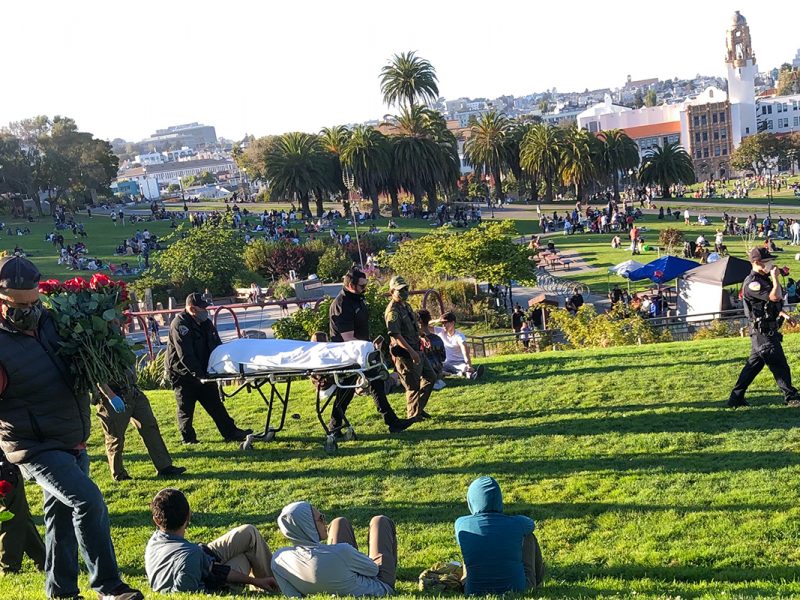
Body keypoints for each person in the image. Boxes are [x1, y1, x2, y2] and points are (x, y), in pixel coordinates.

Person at [0, 256, 143, 600]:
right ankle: (109, 585)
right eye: (19, 305)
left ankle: (61, 592)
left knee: (59, 520)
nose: (29, 310)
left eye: (34, 302)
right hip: (34, 445)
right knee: (88, 501)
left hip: (72, 438)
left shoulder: (53, 322)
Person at [145, 488, 278, 594]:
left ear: (156, 521)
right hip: (213, 585)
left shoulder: (154, 541)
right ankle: (275, 588)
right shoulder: (191, 554)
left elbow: (210, 567)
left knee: (248, 532)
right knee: (244, 559)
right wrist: (254, 581)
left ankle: (271, 583)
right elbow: (186, 592)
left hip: (202, 557)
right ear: (188, 516)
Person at [328, 269, 413, 434]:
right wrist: (367, 348)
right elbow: (347, 338)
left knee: (374, 384)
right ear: (351, 285)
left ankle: (391, 421)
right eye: (362, 285)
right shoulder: (342, 304)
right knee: (346, 389)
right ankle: (334, 425)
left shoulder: (357, 299)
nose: (365, 288)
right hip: (349, 354)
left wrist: (370, 345)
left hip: (362, 351)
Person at [166, 293, 252, 444]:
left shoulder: (205, 323)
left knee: (215, 404)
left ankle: (231, 432)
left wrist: (220, 368)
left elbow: (216, 345)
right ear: (192, 309)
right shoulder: (180, 325)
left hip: (204, 371)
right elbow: (185, 355)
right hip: (182, 373)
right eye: (202, 308)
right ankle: (188, 439)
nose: (205, 311)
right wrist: (199, 375)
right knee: (186, 407)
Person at [271, 501, 397, 597]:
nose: (324, 521)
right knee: (380, 521)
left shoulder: (279, 559)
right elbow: (374, 570)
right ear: (308, 525)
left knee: (338, 522)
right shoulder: (342, 552)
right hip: (379, 588)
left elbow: (293, 595)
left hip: (334, 573)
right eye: (320, 518)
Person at [728, 248, 800, 408]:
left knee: (753, 366)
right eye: (768, 262)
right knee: (778, 363)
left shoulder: (762, 279)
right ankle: (791, 396)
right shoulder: (753, 283)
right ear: (757, 263)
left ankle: (736, 397)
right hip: (762, 333)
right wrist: (775, 279)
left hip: (764, 330)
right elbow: (775, 296)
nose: (771, 264)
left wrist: (784, 314)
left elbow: (768, 305)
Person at [455, 476, 544, 595]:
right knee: (528, 536)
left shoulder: (461, 523)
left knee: (470, 543)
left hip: (472, 590)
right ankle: (535, 583)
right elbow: (531, 524)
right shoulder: (517, 523)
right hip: (517, 589)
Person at [95, 367, 186, 482]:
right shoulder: (98, 349)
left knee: (150, 427)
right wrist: (111, 396)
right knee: (115, 437)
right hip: (112, 396)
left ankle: (164, 467)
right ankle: (119, 474)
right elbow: (96, 376)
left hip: (133, 392)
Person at [384, 276, 436, 420]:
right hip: (405, 353)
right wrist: (411, 352)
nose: (405, 292)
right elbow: (396, 335)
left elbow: (413, 325)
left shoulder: (406, 306)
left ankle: (418, 407)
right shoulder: (392, 311)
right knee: (412, 385)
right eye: (401, 290)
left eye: (406, 288)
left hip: (416, 348)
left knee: (430, 376)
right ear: (392, 291)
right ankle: (413, 415)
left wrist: (423, 336)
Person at [0, 449, 45, 574]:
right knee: (14, 515)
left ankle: (42, 559)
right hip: (7, 468)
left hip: (7, 467)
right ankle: (9, 566)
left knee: (15, 515)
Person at [433, 312, 484, 380]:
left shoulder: (459, 336)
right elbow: (423, 327)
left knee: (465, 368)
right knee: (435, 367)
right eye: (442, 323)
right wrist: (436, 320)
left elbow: (465, 352)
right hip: (446, 363)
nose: (444, 325)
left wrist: (469, 365)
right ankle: (449, 373)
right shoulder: (441, 331)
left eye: (446, 323)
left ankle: (472, 375)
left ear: (453, 323)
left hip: (459, 362)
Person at [417, 309, 446, 390]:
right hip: (438, 372)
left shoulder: (416, 341)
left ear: (419, 322)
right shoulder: (438, 338)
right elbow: (443, 357)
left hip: (426, 375)